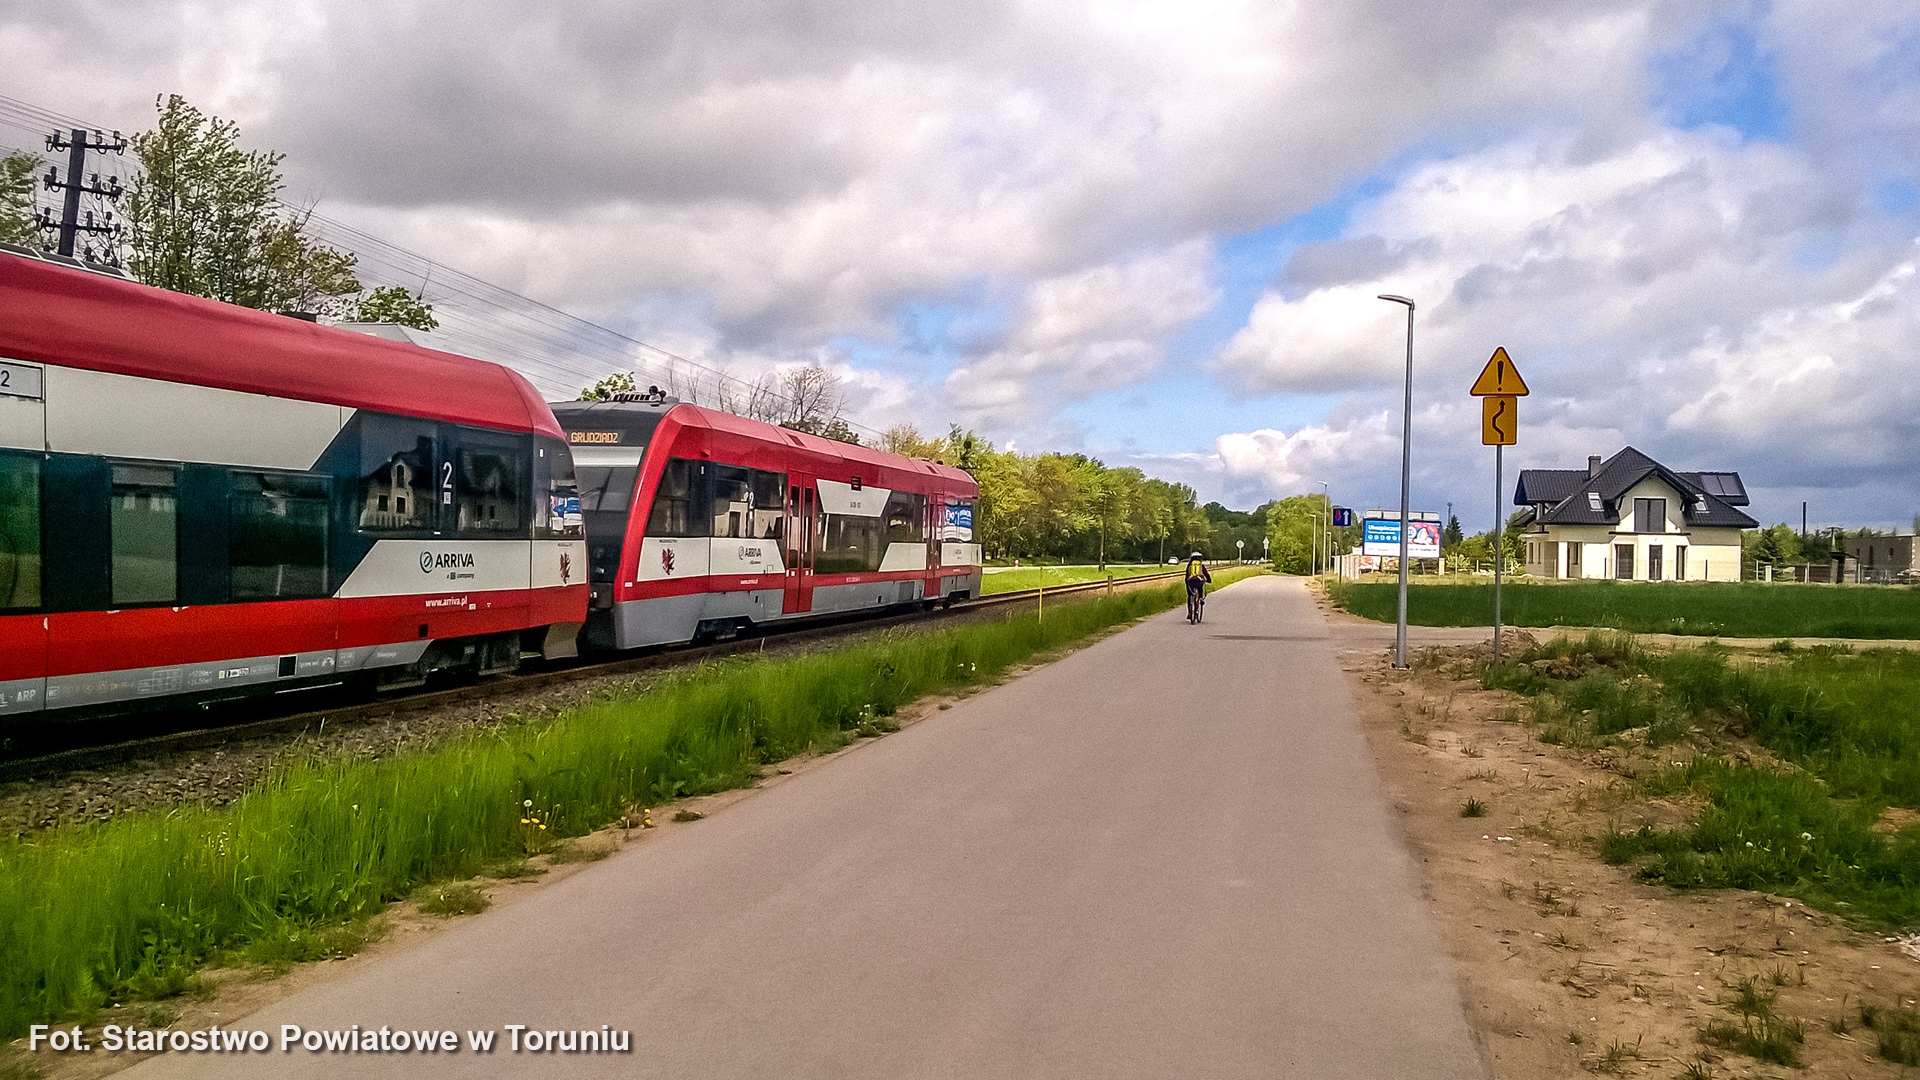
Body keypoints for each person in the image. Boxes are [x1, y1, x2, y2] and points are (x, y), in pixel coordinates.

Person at [1184, 550, 1211, 621]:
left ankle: (1190, 613)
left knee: (1190, 596)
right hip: (1199, 582)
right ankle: (1201, 598)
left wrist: (1186, 581)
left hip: (1190, 582)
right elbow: (1206, 574)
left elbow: (1187, 575)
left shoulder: (1189, 566)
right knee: (1200, 589)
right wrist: (1209, 580)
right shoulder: (1201, 565)